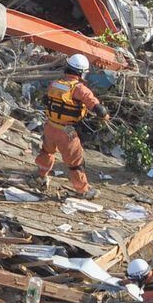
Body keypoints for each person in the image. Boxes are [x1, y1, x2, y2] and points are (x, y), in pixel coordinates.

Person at [34, 53, 110, 199]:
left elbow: (46, 100)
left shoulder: (54, 84)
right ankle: (83, 190)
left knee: (47, 152)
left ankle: (40, 177)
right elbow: (97, 108)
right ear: (81, 72)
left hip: (50, 127)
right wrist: (104, 116)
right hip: (66, 131)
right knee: (76, 162)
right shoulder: (79, 89)